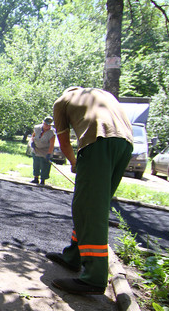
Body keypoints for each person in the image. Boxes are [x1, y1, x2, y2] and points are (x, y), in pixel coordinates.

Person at [46, 87, 133, 295]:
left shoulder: (61, 102)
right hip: (126, 145)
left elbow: (64, 141)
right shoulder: (102, 95)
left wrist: (75, 163)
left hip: (98, 143)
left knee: (88, 208)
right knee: (93, 203)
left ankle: (93, 278)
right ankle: (73, 256)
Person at [30, 116, 56, 185]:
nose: (47, 126)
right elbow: (33, 135)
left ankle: (43, 180)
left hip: (46, 150)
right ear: (43, 123)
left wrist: (49, 154)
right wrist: (32, 142)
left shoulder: (52, 133)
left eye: (49, 125)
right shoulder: (37, 128)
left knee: (45, 165)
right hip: (36, 149)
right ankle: (36, 178)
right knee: (36, 163)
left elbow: (52, 144)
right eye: (46, 124)